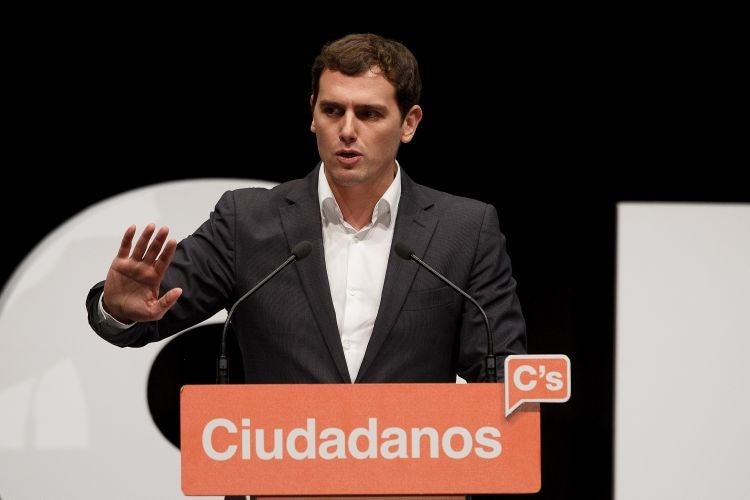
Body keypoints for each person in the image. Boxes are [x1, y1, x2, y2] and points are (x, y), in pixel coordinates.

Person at [86, 33, 526, 384]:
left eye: (369, 114)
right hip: (281, 482)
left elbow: (498, 368)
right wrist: (119, 307)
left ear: (409, 123)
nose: (347, 130)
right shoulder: (248, 222)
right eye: (333, 110)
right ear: (313, 114)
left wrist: (518, 386)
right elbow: (144, 316)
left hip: (415, 484)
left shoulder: (464, 229)